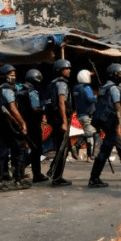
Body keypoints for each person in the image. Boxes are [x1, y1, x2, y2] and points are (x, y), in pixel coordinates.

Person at [87, 63, 121, 192]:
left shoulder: (103, 87)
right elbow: (118, 107)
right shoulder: (114, 88)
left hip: (104, 121)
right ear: (114, 75)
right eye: (120, 74)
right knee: (105, 151)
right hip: (111, 122)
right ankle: (94, 178)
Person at [0, 64, 28, 191]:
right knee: (21, 151)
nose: (13, 77)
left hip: (0, 127)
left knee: (1, 154)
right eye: (11, 75)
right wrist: (22, 123)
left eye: (14, 75)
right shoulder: (8, 90)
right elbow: (13, 108)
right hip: (11, 127)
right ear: (4, 77)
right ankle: (19, 180)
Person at [44, 59, 74, 187]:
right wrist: (64, 122)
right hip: (59, 119)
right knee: (62, 148)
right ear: (59, 71)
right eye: (66, 69)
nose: (69, 71)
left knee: (61, 148)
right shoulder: (61, 84)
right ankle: (56, 177)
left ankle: (55, 173)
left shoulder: (52, 83)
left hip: (55, 118)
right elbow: (62, 103)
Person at [17, 69, 49, 184]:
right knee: (37, 149)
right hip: (33, 124)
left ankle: (21, 170)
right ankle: (33, 173)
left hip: (23, 124)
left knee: (29, 148)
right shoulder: (32, 92)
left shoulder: (20, 91)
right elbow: (36, 109)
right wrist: (44, 108)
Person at [72, 69, 97, 161]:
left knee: (89, 134)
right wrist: (96, 97)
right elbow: (91, 99)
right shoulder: (87, 88)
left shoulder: (75, 88)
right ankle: (77, 146)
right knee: (90, 133)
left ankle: (90, 156)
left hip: (80, 114)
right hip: (87, 114)